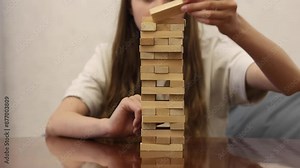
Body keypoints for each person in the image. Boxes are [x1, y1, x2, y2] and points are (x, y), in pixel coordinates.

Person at [46, 0, 300, 138]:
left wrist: (235, 26)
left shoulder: (213, 54)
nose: (158, 8)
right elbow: (57, 122)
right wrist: (107, 126)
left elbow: (290, 83)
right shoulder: (108, 58)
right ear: (128, 6)